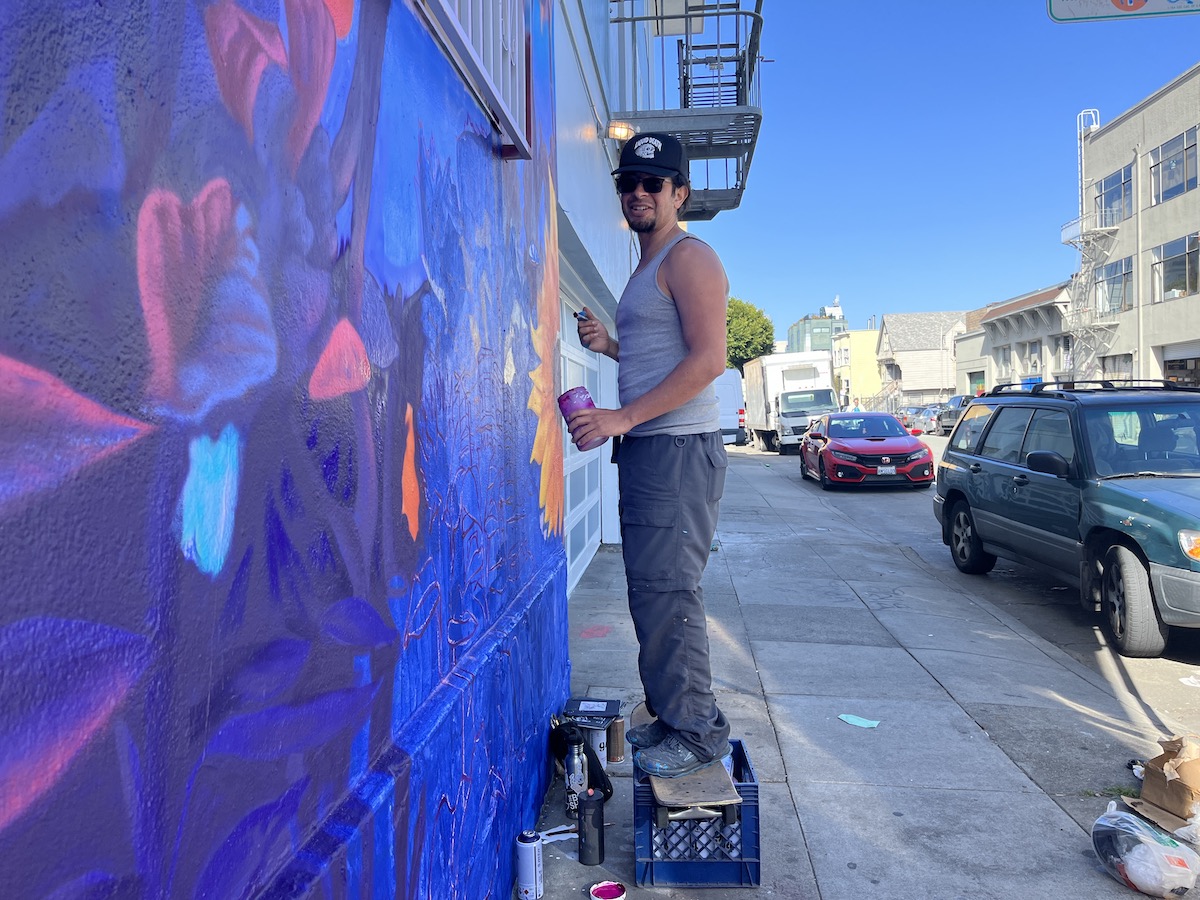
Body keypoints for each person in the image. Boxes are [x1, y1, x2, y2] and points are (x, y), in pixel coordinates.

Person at [568, 132, 732, 778]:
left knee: (671, 590)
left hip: (677, 453)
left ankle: (697, 732)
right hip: (650, 453)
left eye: (653, 183)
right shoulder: (647, 266)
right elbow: (659, 355)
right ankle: (670, 713)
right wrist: (611, 345)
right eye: (627, 182)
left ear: (679, 193)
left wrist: (620, 419)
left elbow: (709, 361)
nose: (637, 192)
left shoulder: (690, 258)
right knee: (650, 593)